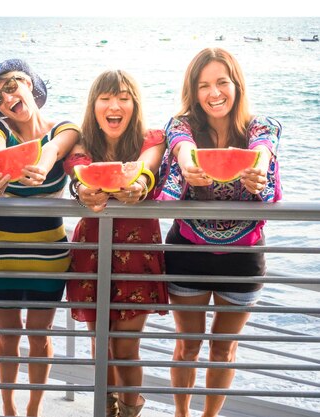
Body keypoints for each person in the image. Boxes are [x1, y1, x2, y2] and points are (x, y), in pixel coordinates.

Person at [157, 47, 282, 417]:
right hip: (187, 251)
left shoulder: (261, 125)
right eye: (203, 85)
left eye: (222, 82)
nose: (214, 93)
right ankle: (181, 414)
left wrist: (258, 169)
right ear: (193, 91)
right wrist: (186, 163)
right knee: (188, 345)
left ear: (237, 85)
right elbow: (179, 145)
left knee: (224, 349)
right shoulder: (182, 125)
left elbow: (264, 148)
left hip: (243, 258)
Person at [0, 58, 80, 417]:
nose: (6, 98)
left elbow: (54, 149)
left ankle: (33, 408)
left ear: (30, 85)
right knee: (8, 336)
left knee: (40, 335)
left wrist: (44, 164)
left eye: (11, 86)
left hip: (49, 251)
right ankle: (8, 408)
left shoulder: (65, 127)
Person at [63, 69, 168, 417]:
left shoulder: (151, 138)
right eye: (106, 97)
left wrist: (140, 183)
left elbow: (148, 166)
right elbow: (78, 171)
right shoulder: (83, 144)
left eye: (123, 97)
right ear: (94, 105)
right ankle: (105, 409)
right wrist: (82, 190)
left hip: (138, 252)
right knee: (100, 345)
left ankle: (131, 408)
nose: (114, 104)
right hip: (92, 250)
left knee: (125, 347)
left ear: (134, 104)